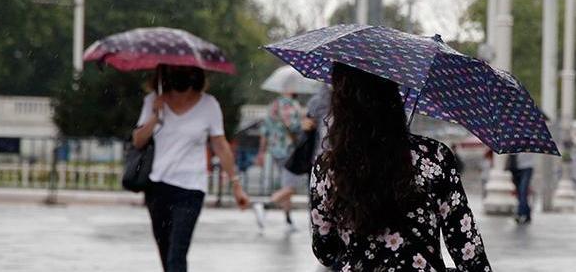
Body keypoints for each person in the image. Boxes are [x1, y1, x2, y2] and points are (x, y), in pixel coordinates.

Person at [310, 63, 492, 271]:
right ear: (393, 97)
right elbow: (466, 246)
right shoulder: (434, 156)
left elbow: (326, 252)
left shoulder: (327, 167)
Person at [132, 65, 249, 272]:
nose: (180, 74)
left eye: (186, 71)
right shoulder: (153, 101)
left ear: (195, 73)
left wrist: (236, 184)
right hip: (158, 188)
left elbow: (220, 145)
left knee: (177, 254)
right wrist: (154, 117)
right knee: (165, 253)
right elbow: (138, 141)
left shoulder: (209, 105)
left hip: (191, 189)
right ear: (165, 73)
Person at [254, 91, 306, 231]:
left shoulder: (273, 105)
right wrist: (302, 118)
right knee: (292, 187)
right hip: (289, 151)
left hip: (275, 150)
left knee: (286, 185)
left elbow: (265, 131)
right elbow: (297, 127)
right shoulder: (293, 106)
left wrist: (261, 152)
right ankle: (264, 205)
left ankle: (288, 221)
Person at [507, 153, 535, 224]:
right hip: (515, 167)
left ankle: (519, 213)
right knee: (520, 192)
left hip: (527, 167)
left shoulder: (532, 142)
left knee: (523, 190)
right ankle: (527, 213)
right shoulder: (514, 142)